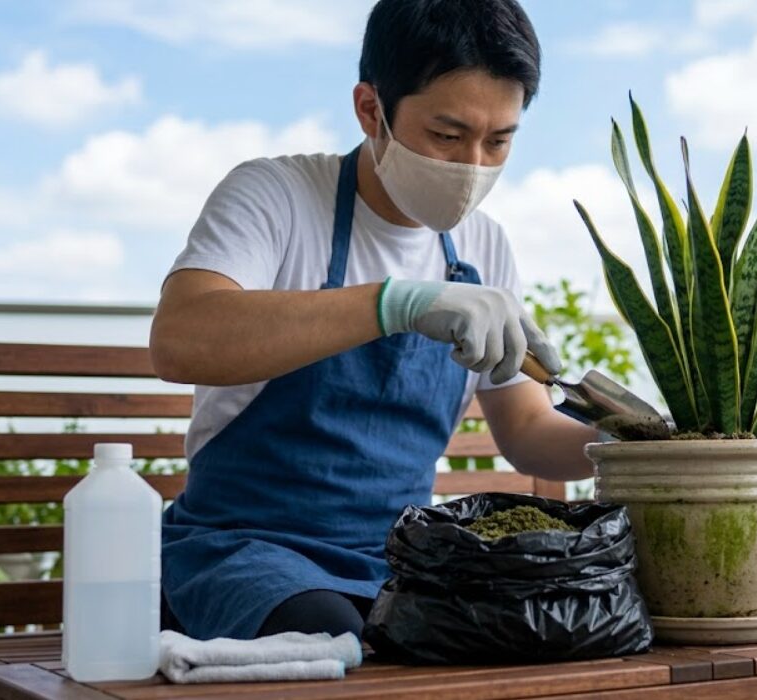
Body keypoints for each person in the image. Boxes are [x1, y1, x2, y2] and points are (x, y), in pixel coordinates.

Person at [149, 0, 600, 642]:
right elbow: (180, 340)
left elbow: (525, 426)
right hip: (244, 553)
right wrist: (395, 304)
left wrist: (630, 444)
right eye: (447, 135)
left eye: (498, 140)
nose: (472, 165)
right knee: (330, 639)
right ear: (371, 110)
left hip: (399, 563)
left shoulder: (483, 248)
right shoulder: (275, 197)